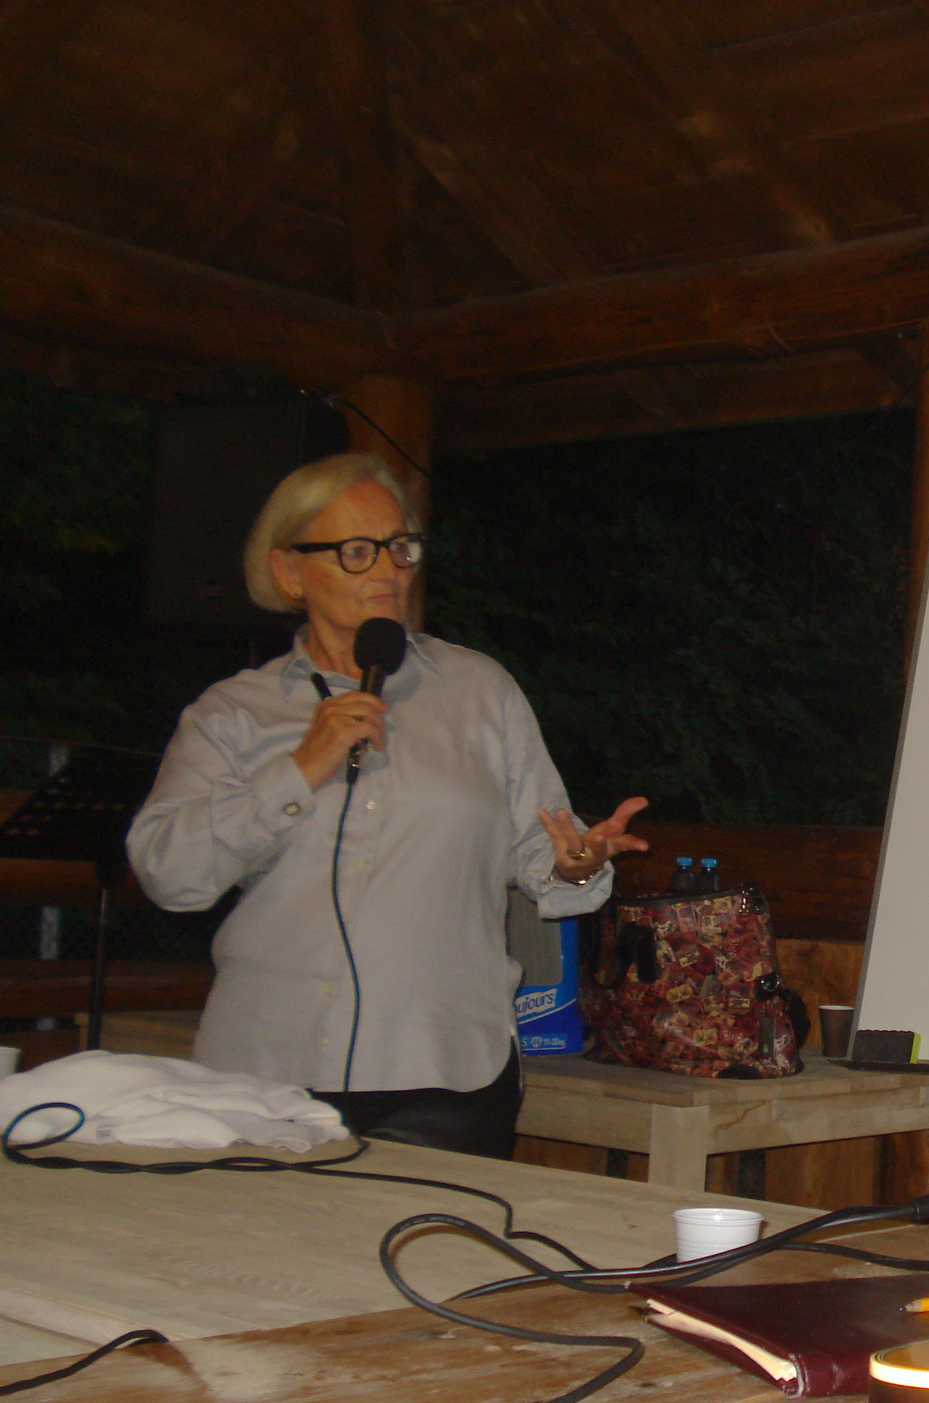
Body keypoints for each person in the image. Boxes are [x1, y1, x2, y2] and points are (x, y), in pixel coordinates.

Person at [128, 453, 646, 1158]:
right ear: (289, 571)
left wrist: (575, 863)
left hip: (440, 1073)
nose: (387, 571)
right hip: (264, 1074)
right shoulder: (232, 714)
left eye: (400, 548)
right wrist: (300, 770)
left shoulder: (479, 691)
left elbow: (541, 849)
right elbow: (169, 874)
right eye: (356, 551)